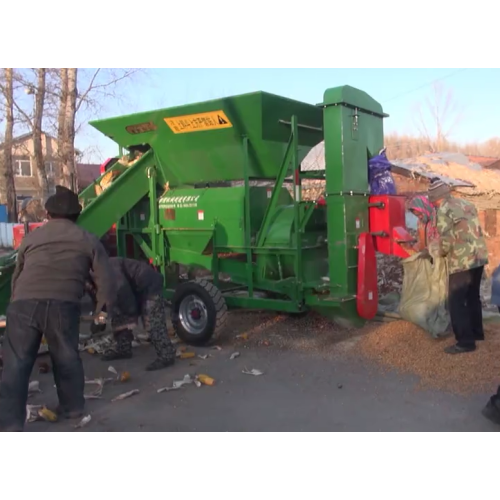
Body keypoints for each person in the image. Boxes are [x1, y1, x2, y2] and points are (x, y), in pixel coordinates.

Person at [0, 186, 115, 432]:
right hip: (64, 305)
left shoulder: (32, 238)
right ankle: (72, 408)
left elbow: (18, 274)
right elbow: (105, 279)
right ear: (77, 215)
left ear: (48, 214)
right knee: (66, 357)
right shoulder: (87, 238)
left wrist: (15, 304)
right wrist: (101, 313)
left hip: (23, 304)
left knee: (17, 364)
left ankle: (10, 424)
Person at [427, 178, 488, 355]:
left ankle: (465, 342)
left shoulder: (443, 210)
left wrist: (435, 253)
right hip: (478, 258)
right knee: (473, 296)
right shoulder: (466, 203)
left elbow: (445, 242)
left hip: (462, 261)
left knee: (456, 302)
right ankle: (477, 333)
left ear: (435, 198)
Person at [86, 256, 176, 371]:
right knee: (118, 314)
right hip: (131, 288)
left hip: (148, 285)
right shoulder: (91, 280)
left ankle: (166, 355)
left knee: (152, 320)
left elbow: (124, 296)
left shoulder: (108, 271)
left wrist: (130, 317)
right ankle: (123, 349)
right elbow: (100, 301)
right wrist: (99, 319)